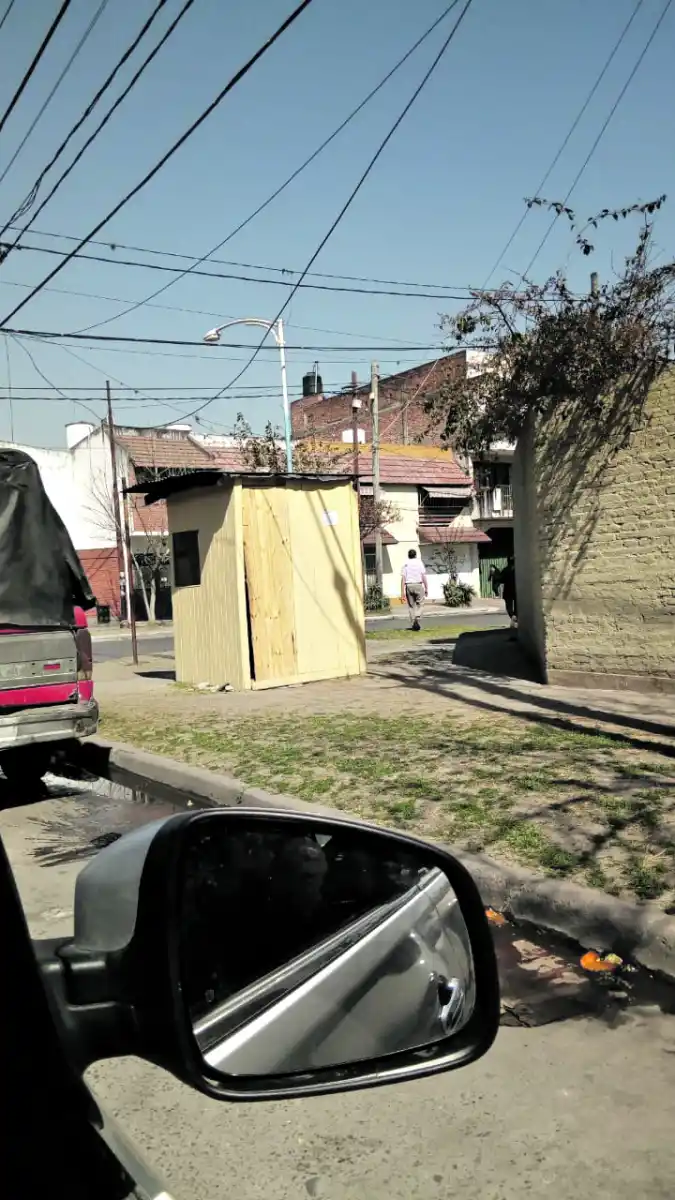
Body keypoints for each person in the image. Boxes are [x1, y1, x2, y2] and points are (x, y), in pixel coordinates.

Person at [400, 548, 428, 631]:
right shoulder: (419, 563)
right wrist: (426, 588)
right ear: (415, 555)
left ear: (408, 556)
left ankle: (414, 624)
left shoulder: (405, 564)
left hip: (409, 586)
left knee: (411, 606)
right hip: (418, 585)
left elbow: (403, 578)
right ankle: (417, 616)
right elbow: (423, 576)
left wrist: (402, 592)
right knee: (421, 604)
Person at [501, 556, 517, 624]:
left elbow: (501, 579)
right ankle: (515, 618)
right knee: (517, 607)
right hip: (516, 591)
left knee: (509, 607)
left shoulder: (505, 570)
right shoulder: (518, 569)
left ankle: (513, 617)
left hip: (508, 592)